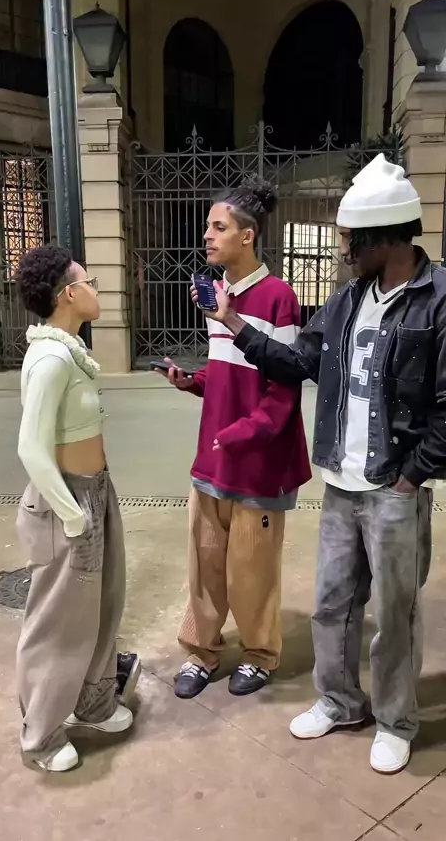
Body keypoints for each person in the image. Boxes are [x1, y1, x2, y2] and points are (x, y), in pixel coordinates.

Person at [195, 153, 445, 774]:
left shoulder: (438, 301)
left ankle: (395, 720)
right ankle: (339, 701)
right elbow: (298, 361)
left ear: (385, 237)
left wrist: (413, 475)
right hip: (341, 481)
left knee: (396, 615)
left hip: (394, 488)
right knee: (333, 604)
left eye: (352, 239)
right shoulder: (347, 299)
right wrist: (235, 325)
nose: (344, 249)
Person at [159, 176, 311, 700]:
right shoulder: (218, 296)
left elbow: (283, 389)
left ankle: (259, 653)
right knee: (204, 564)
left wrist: (242, 434)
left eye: (218, 227)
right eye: (208, 226)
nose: (207, 235)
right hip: (214, 458)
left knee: (251, 569)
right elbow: (228, 373)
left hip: (258, 464)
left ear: (247, 236)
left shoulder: (279, 298)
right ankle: (201, 651)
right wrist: (193, 381)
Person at [15, 244, 140, 772]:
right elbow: (31, 448)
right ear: (68, 294)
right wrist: (70, 514)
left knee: (103, 603)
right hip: (65, 500)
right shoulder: (49, 359)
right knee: (58, 622)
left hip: (94, 490)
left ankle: (94, 703)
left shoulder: (68, 353)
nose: (95, 289)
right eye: (89, 281)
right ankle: (41, 735)